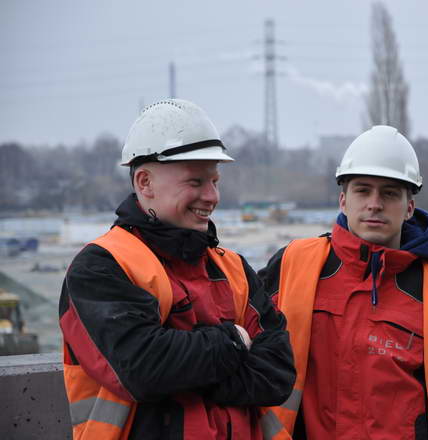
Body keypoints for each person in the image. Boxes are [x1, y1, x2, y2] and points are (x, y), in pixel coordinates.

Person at [59, 99, 295, 440]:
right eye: (196, 182)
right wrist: (234, 340)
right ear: (144, 183)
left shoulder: (233, 268)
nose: (211, 196)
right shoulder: (100, 267)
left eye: (215, 181)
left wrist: (186, 369)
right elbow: (143, 369)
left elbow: (278, 374)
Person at [258, 125, 428, 440]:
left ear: (409, 207)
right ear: (343, 200)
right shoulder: (293, 267)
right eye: (362, 190)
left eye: (389, 193)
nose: (374, 203)